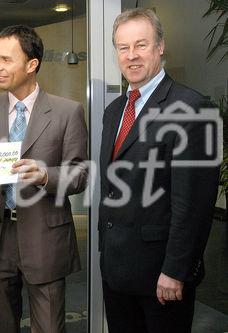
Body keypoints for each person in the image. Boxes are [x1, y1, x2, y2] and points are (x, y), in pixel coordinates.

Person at [98, 8, 220, 333]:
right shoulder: (113, 112)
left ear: (161, 46)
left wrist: (176, 270)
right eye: (123, 48)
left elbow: (194, 205)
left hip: (162, 278)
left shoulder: (192, 109)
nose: (132, 56)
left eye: (141, 45)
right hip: (117, 271)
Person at [0, 25, 88, 333]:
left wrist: (46, 174)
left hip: (45, 238)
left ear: (32, 64)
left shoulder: (66, 112)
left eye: (6, 59)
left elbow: (80, 174)